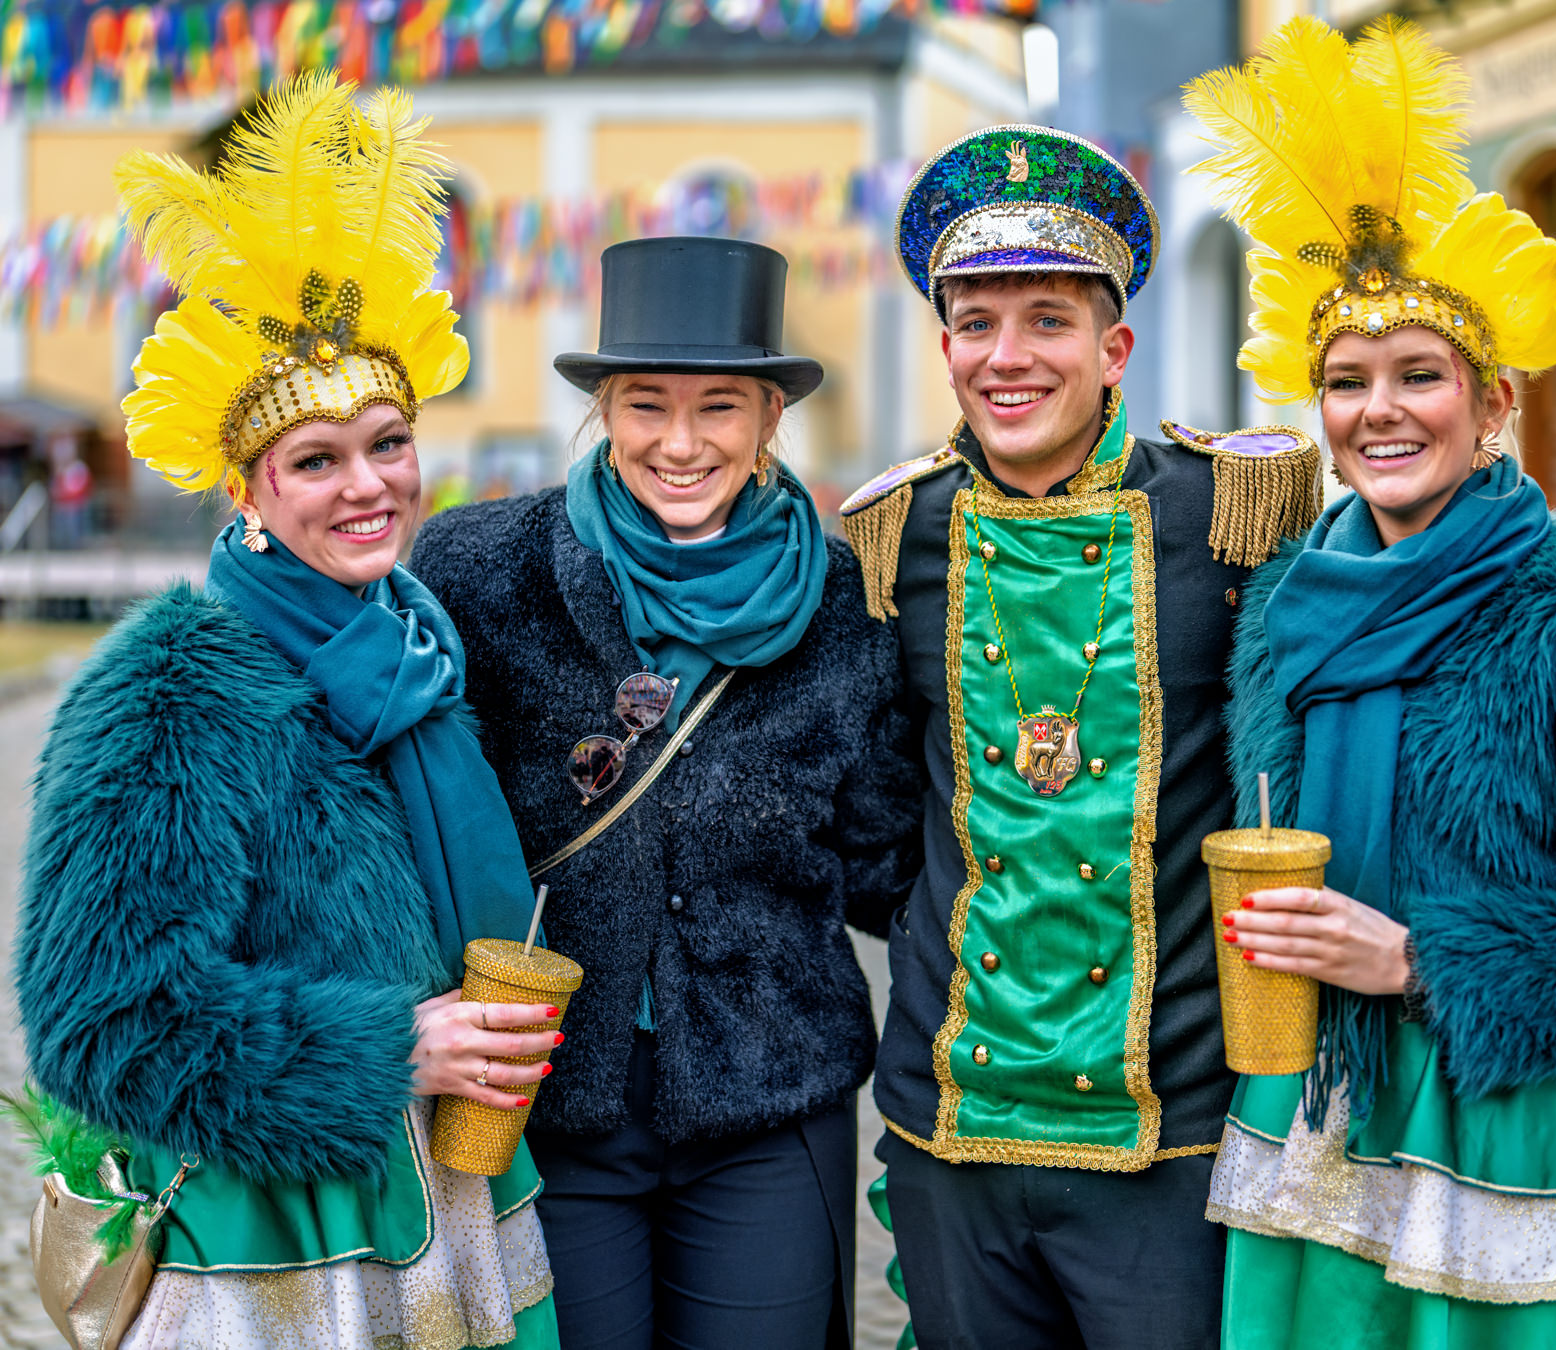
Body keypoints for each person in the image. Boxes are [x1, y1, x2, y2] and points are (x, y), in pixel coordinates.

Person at [1184, 18, 1556, 1347]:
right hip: (1315, 1121)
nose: (1379, 409)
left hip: (1521, 1133)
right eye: (1347, 380)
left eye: (1419, 376)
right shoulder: (1284, 608)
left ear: (1493, 402)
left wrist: (1418, 959)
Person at [14, 74, 560, 1348]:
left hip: (457, 1196)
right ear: (249, 493)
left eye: (389, 443)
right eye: (316, 461)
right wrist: (391, 1052)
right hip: (275, 1242)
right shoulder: (169, 688)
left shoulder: (422, 644)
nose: (368, 486)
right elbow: (99, 1022)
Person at [839, 126, 1322, 1348]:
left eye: (1047, 321)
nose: (1007, 357)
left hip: (1176, 1112)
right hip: (956, 1109)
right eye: (976, 324)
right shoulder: (897, 534)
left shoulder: (1232, 511)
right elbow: (878, 808)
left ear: (1115, 350)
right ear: (946, 347)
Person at [406, 235, 922, 1350]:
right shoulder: (480, 570)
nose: (680, 444)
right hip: (546, 1100)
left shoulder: (846, 603)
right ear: (604, 408)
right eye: (646, 404)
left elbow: (891, 862)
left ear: (770, 417)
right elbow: (402, 804)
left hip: (769, 1098)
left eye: (719, 407)